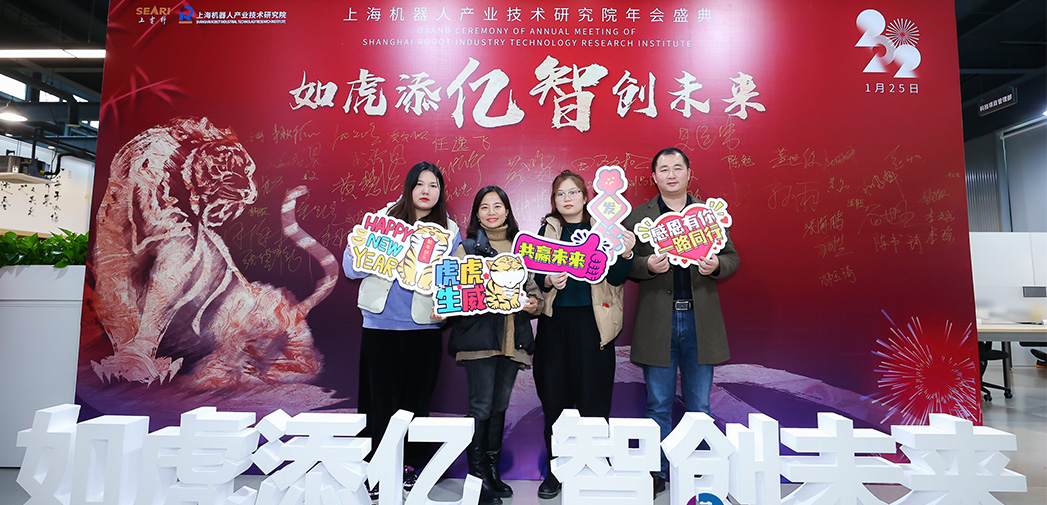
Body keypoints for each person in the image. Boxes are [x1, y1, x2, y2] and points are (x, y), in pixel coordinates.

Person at [622, 148, 739, 496]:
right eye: (664, 169)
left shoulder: (707, 214)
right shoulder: (639, 217)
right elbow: (622, 261)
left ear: (689, 173)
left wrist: (716, 266)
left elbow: (732, 258)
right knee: (657, 403)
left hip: (700, 321)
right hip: (658, 321)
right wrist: (645, 266)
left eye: (677, 168)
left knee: (699, 405)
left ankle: (697, 471)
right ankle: (656, 471)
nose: (671, 174)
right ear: (654, 177)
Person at [342, 161, 461, 497]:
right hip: (380, 326)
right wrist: (378, 253)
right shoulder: (382, 221)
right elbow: (350, 268)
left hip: (423, 328)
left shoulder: (449, 231)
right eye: (420, 184)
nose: (426, 191)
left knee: (415, 405)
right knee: (378, 404)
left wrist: (446, 308)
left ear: (440, 193)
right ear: (409, 187)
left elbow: (451, 279)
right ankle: (376, 472)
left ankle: (408, 469)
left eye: (434, 186)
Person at [531, 170, 636, 499]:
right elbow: (534, 273)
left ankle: (595, 467)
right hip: (554, 324)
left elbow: (616, 277)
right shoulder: (548, 230)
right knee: (554, 400)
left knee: (594, 399)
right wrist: (549, 280)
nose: (567, 199)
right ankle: (556, 470)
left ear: (586, 196)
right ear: (554, 200)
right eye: (560, 194)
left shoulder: (604, 227)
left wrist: (627, 253)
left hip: (594, 325)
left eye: (573, 192)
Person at [446, 186, 543, 505]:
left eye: (497, 206)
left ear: (507, 211)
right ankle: (477, 479)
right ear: (476, 213)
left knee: (499, 407)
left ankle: (491, 472)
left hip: (512, 340)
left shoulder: (521, 248)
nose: (491, 212)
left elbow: (534, 292)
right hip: (480, 341)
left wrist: (534, 304)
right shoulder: (466, 249)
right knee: (481, 407)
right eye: (484, 207)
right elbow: (451, 291)